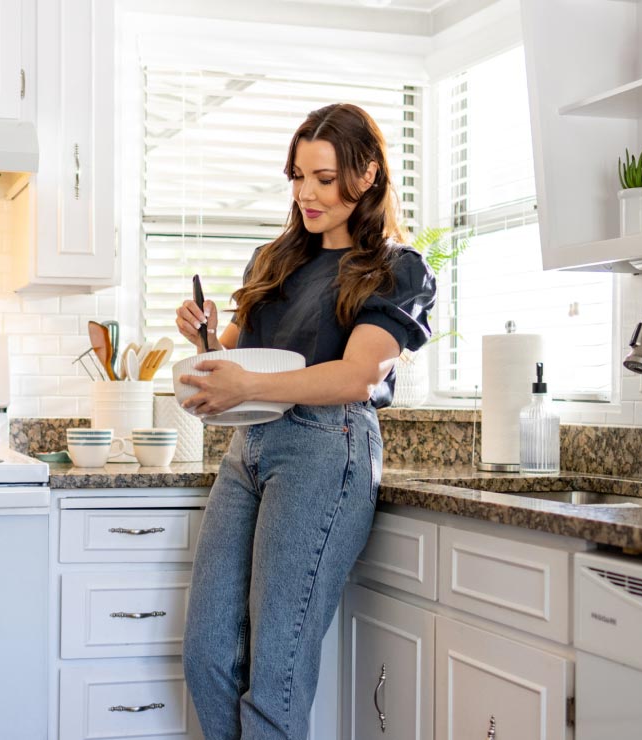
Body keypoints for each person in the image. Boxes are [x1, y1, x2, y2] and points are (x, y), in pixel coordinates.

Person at [175, 103, 437, 739]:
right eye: (297, 176)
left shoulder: (396, 269)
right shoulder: (274, 259)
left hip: (328, 448)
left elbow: (358, 376)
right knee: (207, 653)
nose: (306, 194)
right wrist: (207, 339)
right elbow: (234, 357)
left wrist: (249, 382)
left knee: (276, 669)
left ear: (366, 175)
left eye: (323, 178)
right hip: (251, 449)